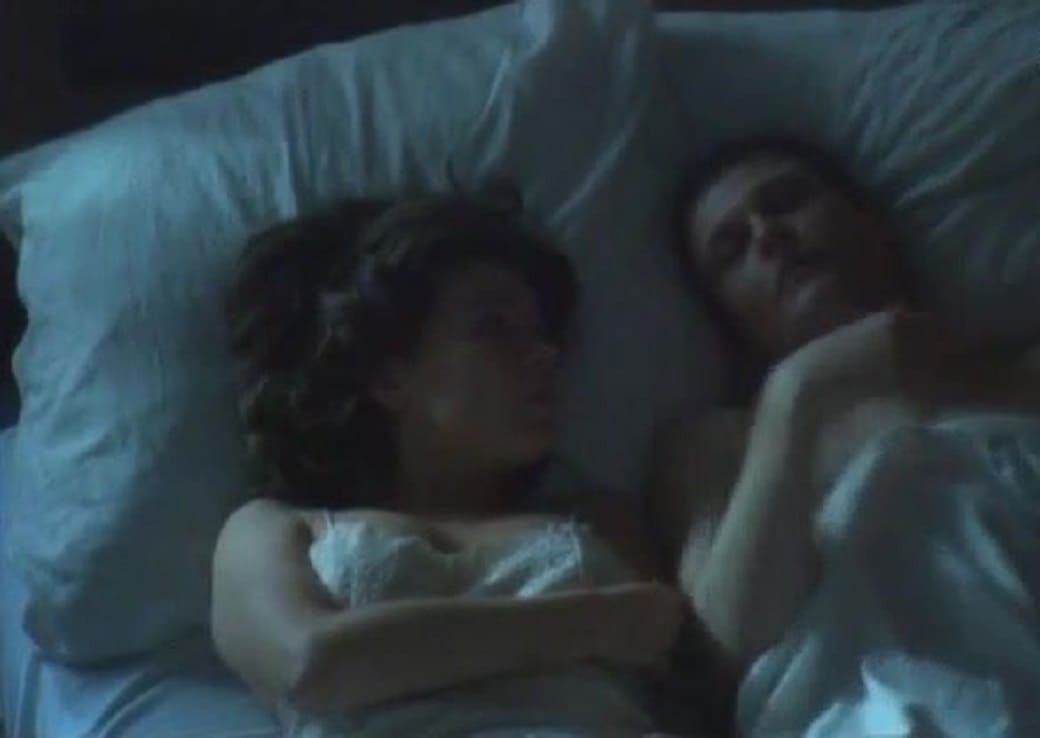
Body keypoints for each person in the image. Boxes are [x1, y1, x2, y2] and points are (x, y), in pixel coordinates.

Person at [210, 191, 722, 737]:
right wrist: (589, 624)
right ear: (388, 376)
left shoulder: (602, 520)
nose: (545, 355)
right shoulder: (271, 529)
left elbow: (695, 697)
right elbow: (312, 664)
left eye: (544, 335)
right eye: (494, 327)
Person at [650, 137, 1040, 674]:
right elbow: (731, 638)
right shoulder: (714, 448)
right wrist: (797, 392)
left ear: (870, 220)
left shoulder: (1021, 371)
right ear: (728, 317)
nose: (768, 235)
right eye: (731, 250)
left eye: (787, 201)